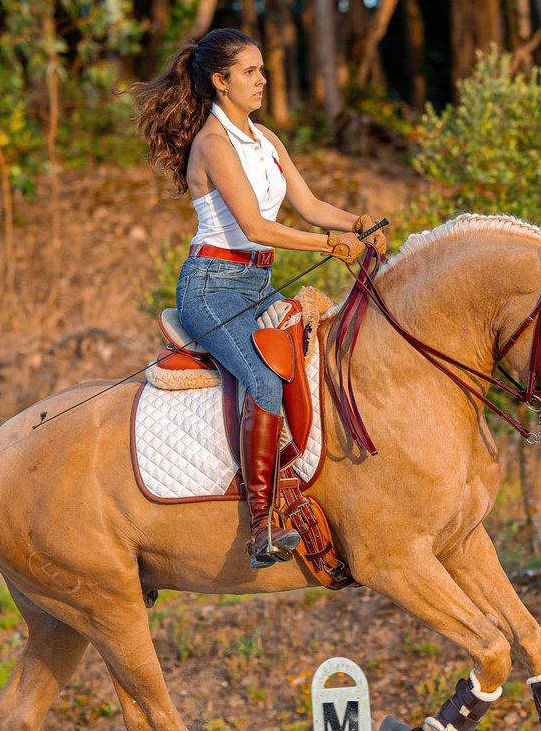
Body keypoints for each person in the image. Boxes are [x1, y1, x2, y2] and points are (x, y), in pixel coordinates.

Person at [133, 28, 388, 570]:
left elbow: (310, 203)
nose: (262, 80)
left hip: (256, 284)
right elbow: (253, 226)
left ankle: (305, 479)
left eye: (263, 70)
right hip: (212, 287)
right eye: (250, 72)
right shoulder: (213, 143)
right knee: (264, 377)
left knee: (317, 354)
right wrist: (329, 245)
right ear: (221, 82)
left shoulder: (265, 138)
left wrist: (357, 223)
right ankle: (261, 524)